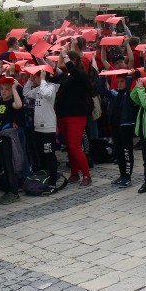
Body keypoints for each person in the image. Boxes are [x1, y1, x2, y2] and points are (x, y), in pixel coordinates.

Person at [54, 48, 93, 187]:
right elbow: (55, 70)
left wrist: (65, 55)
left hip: (77, 115)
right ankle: (75, 173)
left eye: (68, 60)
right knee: (69, 147)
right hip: (63, 115)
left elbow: (74, 71)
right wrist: (60, 56)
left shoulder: (80, 73)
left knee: (75, 146)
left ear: (74, 61)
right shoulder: (66, 75)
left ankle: (87, 175)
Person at [23, 67, 60, 191]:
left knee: (50, 155)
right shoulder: (38, 88)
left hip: (48, 128)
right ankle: (45, 178)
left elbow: (46, 94)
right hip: (38, 127)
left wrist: (43, 79)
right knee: (42, 156)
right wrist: (29, 79)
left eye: (36, 76)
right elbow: (26, 93)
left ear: (43, 76)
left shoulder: (51, 87)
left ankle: (53, 183)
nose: (35, 79)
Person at [0, 76, 24, 204]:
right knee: (4, 165)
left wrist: (15, 89)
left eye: (7, 89)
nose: (3, 91)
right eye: (2, 89)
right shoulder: (0, 101)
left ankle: (14, 192)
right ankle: (8, 189)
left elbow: (19, 104)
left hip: (8, 137)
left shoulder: (11, 103)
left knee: (10, 166)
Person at [104, 73, 137, 188]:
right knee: (119, 152)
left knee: (127, 152)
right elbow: (100, 90)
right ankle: (122, 174)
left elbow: (129, 87)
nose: (119, 84)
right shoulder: (115, 93)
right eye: (118, 82)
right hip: (115, 125)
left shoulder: (130, 94)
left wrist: (129, 77)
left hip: (126, 125)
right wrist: (102, 76)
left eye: (122, 81)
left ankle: (127, 176)